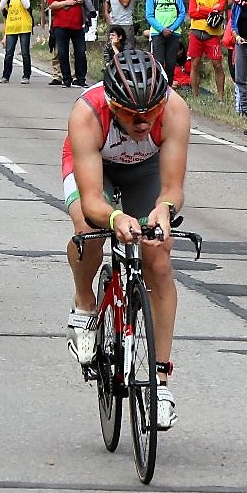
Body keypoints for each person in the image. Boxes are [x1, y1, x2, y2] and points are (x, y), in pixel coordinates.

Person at [62, 49, 190, 429]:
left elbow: (172, 187)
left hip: (144, 170)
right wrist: (116, 217)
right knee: (90, 232)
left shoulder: (175, 110)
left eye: (150, 112)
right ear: (112, 104)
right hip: (96, 167)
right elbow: (92, 201)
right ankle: (85, 302)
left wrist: (164, 209)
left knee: (159, 258)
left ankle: (160, 384)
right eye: (132, 114)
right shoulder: (87, 113)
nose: (142, 122)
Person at [187, 0, 227, 100]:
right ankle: (195, 95)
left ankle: (220, 97)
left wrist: (201, 9)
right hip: (196, 33)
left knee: (217, 64)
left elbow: (219, 10)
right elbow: (192, 13)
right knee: (194, 64)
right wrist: (210, 11)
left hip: (213, 34)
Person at [47, 0, 89, 88]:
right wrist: (67, 2)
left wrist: (82, 1)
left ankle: (81, 79)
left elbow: (87, 0)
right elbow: (51, 4)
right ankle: (66, 79)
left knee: (80, 52)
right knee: (63, 53)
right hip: (61, 26)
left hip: (77, 26)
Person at [145, 0, 186, 85]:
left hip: (174, 33)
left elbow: (182, 13)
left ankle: (169, 88)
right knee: (158, 63)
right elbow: (149, 15)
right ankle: (158, 88)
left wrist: (171, 28)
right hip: (158, 34)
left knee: (171, 63)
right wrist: (162, 29)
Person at [0, 0, 32, 84]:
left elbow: (27, 5)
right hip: (11, 27)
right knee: (9, 53)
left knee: (25, 52)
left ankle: (26, 75)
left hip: (24, 26)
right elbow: (1, 7)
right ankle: (5, 76)